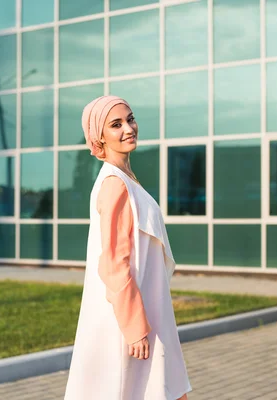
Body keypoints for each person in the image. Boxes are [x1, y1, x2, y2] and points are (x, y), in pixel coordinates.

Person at [64, 95, 192, 400]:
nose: (128, 128)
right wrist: (135, 327)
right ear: (99, 137)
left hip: (147, 310)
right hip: (132, 320)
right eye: (116, 124)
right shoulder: (114, 185)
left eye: (130, 119)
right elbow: (113, 263)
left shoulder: (125, 180)